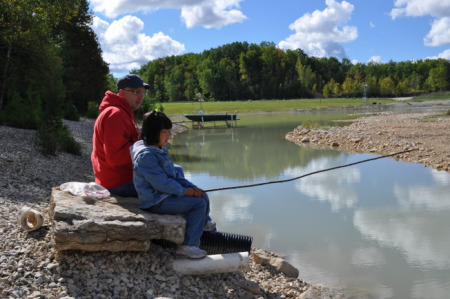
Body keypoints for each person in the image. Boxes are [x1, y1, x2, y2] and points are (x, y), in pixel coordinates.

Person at [130, 110, 216, 259]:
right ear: (153, 132)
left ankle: (202, 222)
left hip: (165, 195)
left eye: (168, 132)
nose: (168, 136)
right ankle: (189, 245)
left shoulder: (159, 151)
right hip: (155, 200)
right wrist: (185, 192)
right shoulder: (146, 157)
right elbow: (162, 184)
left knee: (203, 196)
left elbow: (175, 176)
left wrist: (193, 188)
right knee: (198, 205)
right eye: (164, 132)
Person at [91, 74, 148, 197]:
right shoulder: (116, 114)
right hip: (119, 183)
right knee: (180, 194)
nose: (141, 97)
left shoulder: (123, 112)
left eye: (142, 93)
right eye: (136, 92)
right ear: (122, 93)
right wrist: (145, 149)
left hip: (118, 180)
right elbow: (115, 157)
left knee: (175, 172)